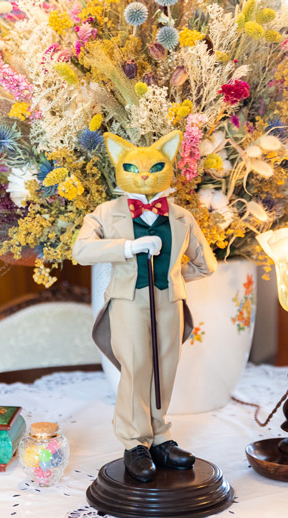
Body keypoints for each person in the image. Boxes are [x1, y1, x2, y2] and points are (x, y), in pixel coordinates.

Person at [72, 131, 217, 482]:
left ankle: (160, 438)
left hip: (169, 302)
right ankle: (134, 442)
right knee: (137, 368)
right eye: (133, 168)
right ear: (117, 165)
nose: (144, 176)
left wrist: (172, 276)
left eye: (155, 167)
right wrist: (128, 247)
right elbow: (81, 251)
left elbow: (206, 265)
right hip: (129, 302)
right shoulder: (105, 213)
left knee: (165, 369)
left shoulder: (181, 216)